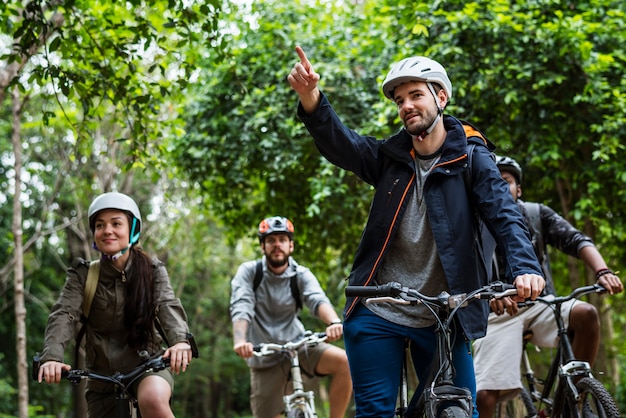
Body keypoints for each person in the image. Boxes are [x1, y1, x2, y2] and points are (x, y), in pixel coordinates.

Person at [287, 46, 545, 417]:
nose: (407, 105)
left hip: (445, 312)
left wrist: (524, 267)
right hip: (378, 306)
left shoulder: (472, 158)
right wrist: (312, 99)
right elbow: (346, 146)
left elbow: (504, 215)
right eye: (400, 100)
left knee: (458, 408)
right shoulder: (390, 158)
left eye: (416, 95)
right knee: (375, 412)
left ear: (441, 97)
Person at [473, 156, 624, 417]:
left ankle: (570, 401)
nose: (499, 186)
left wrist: (603, 271)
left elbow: (576, 240)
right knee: (484, 396)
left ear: (518, 189)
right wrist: (485, 295)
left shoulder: (535, 214)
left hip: (542, 304)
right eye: (492, 181)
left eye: (506, 181)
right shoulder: (473, 223)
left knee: (586, 314)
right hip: (499, 313)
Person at [37, 192, 194, 418]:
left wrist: (180, 342)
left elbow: (166, 304)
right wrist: (51, 357)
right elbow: (65, 314)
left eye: (116, 223)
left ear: (132, 230)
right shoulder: (83, 274)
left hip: (147, 367)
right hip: (102, 379)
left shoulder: (152, 270)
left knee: (152, 400)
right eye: (100, 225)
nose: (107, 230)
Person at [229, 216, 352, 418]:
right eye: (271, 240)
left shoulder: (301, 274)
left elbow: (317, 299)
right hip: (264, 355)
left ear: (291, 245)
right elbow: (241, 306)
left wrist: (334, 322)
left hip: (299, 347)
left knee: (345, 362)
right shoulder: (249, 272)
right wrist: (240, 340)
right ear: (262, 246)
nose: (277, 245)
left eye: (282, 240)